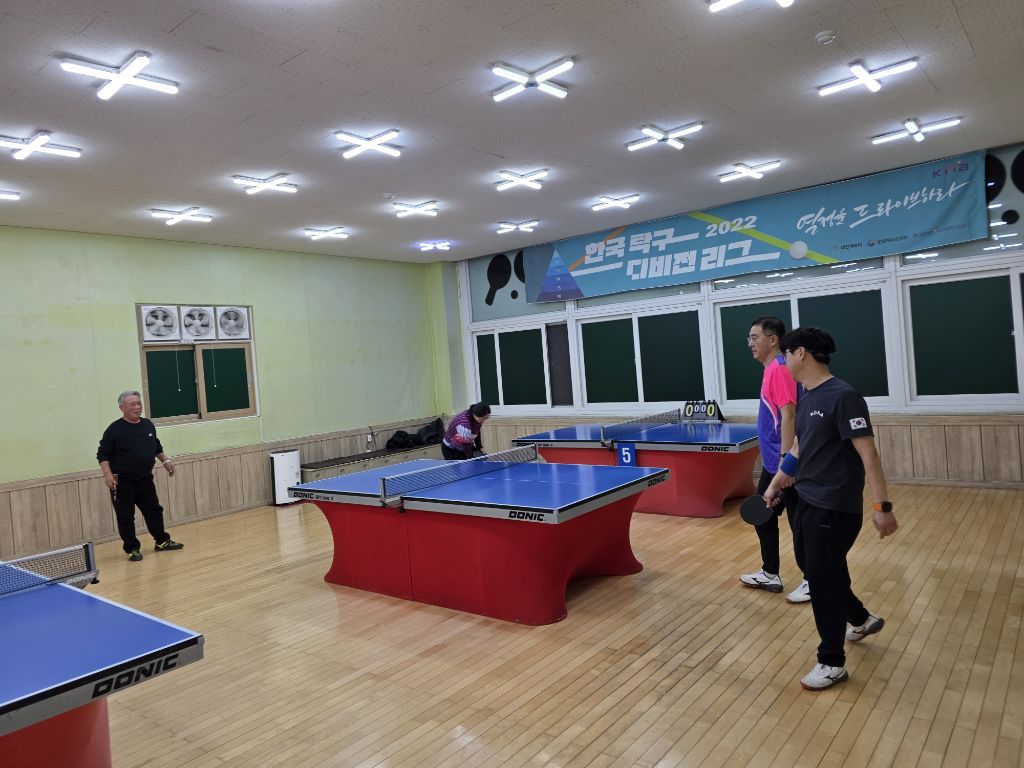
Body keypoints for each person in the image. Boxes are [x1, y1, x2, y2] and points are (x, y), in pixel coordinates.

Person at [763, 327, 898, 691]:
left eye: (786, 355)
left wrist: (882, 505)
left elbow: (868, 454)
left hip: (834, 507)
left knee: (822, 581)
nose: (783, 362)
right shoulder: (808, 397)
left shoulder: (844, 397)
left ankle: (832, 662)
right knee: (817, 568)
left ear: (801, 353)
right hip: (807, 500)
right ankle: (860, 618)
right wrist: (776, 483)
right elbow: (798, 449)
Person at [739, 316, 809, 604]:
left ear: (773, 339)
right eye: (749, 338)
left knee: (799, 523)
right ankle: (770, 573)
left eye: (755, 337)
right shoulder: (772, 369)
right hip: (773, 464)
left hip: (784, 463)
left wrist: (786, 462)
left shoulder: (779, 369)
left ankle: (813, 579)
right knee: (763, 516)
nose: (750, 343)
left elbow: (789, 415)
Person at [97, 390, 184, 562]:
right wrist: (107, 475)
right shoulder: (114, 430)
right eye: (132, 405)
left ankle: (162, 541)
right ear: (122, 408)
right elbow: (103, 454)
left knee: (154, 511)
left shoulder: (147, 425)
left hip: (144, 479)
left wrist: (165, 461)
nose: (137, 407)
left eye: (139, 403)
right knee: (125, 516)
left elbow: (156, 446)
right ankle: (132, 549)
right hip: (122, 481)